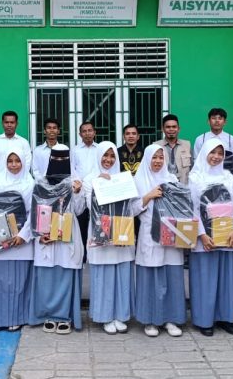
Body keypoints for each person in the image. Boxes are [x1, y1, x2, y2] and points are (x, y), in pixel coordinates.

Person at [188, 139, 233, 336]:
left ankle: (227, 318)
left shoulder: (227, 176)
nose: (216, 157)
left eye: (220, 153)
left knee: (227, 279)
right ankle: (205, 320)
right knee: (206, 279)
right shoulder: (195, 177)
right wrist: (202, 235)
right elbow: (193, 207)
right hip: (206, 239)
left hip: (227, 236)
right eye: (212, 152)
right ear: (204, 153)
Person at [83, 142, 142, 335]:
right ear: (98, 156)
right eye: (105, 156)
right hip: (101, 236)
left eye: (112, 156)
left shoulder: (124, 179)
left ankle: (121, 315)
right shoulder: (90, 180)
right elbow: (90, 207)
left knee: (122, 274)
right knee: (104, 276)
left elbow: (132, 209)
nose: (108, 160)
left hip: (122, 236)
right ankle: (105, 316)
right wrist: (98, 184)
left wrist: (146, 199)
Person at [29, 144, 85, 334]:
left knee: (65, 274)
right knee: (48, 276)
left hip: (68, 234)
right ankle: (48, 315)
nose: (59, 162)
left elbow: (79, 210)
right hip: (46, 235)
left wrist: (77, 192)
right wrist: (39, 234)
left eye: (63, 159)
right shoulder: (41, 184)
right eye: (56, 159)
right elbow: (35, 211)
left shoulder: (74, 182)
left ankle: (64, 316)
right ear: (50, 159)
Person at [133, 144, 186, 338]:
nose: (157, 161)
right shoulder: (138, 180)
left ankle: (171, 319)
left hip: (171, 234)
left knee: (172, 276)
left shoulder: (171, 179)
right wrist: (148, 196)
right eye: (154, 157)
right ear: (147, 159)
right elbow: (131, 210)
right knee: (151, 277)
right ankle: (150, 320)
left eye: (161, 157)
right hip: (150, 234)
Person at [0, 149, 36, 331]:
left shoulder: (30, 184)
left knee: (20, 282)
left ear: (24, 163)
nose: (13, 164)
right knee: (1, 282)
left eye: (17, 161)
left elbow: (33, 213)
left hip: (21, 241)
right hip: (1, 239)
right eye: (10, 161)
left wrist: (23, 235)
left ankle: (17, 318)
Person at [71, 121, 99, 257]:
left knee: (96, 223)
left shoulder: (100, 149)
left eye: (90, 130)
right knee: (81, 222)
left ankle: (95, 253)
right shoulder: (75, 150)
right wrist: (78, 183)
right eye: (84, 131)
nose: (87, 133)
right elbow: (72, 169)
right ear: (80, 134)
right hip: (80, 190)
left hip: (96, 191)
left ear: (94, 132)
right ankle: (82, 257)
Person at [0, 111, 31, 178]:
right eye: (6, 122)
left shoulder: (24, 142)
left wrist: (18, 177)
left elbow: (27, 163)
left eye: (12, 122)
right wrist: (0, 178)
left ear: (16, 124)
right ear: (2, 123)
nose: (9, 125)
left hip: (20, 181)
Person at [154, 114, 192, 184]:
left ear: (179, 129)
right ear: (162, 129)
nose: (171, 129)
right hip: (163, 186)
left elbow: (193, 168)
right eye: (168, 127)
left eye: (174, 127)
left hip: (183, 186)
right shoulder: (155, 146)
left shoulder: (187, 145)